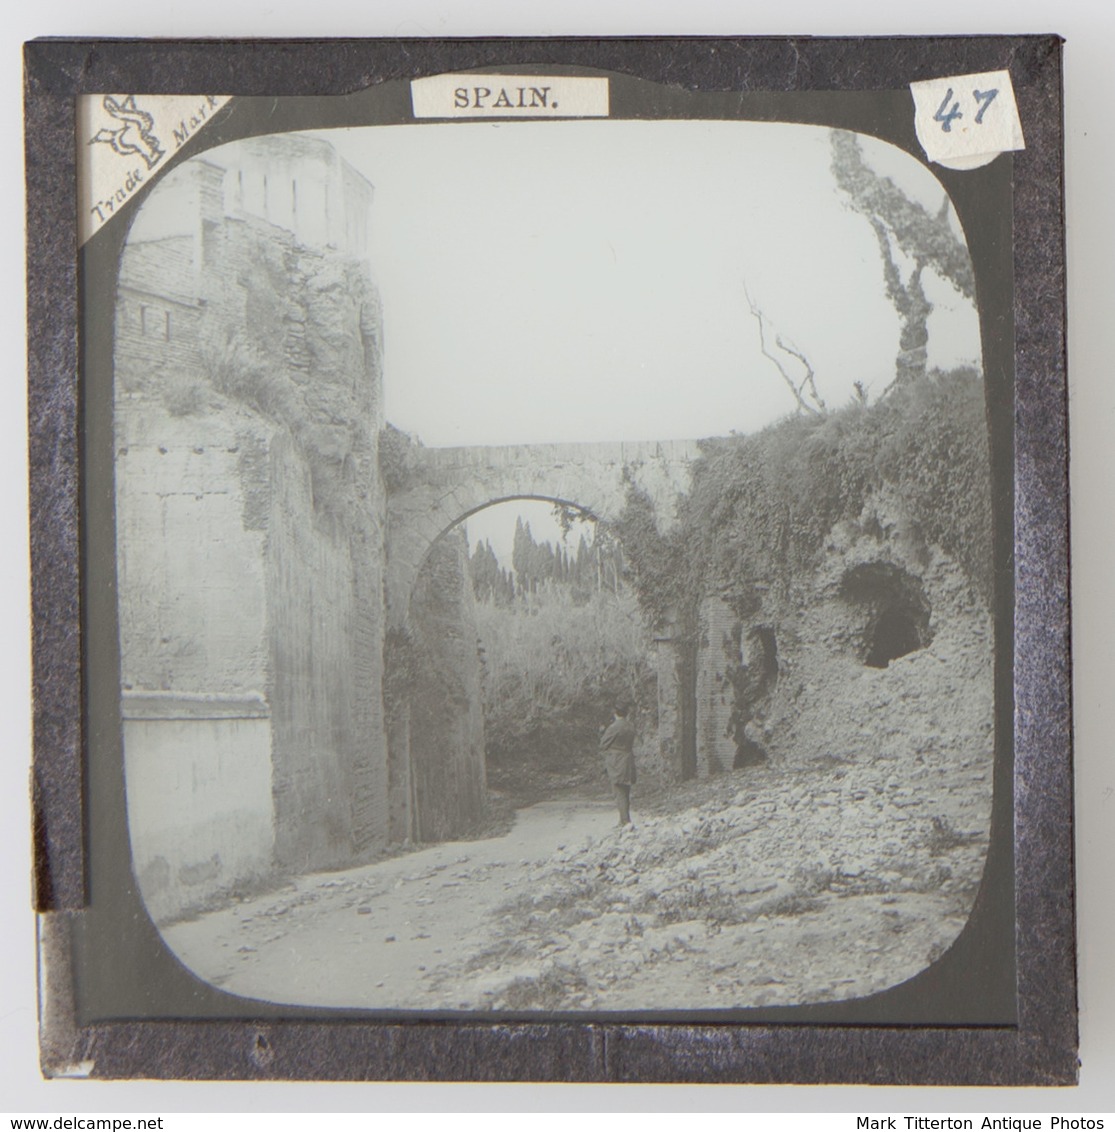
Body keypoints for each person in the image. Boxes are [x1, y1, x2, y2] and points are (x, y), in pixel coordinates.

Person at [599, 702, 636, 827]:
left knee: (618, 790)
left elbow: (603, 744)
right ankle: (625, 819)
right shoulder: (631, 726)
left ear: (615, 713)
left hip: (616, 761)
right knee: (626, 790)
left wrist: (601, 733)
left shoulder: (614, 727)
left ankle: (625, 821)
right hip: (628, 759)